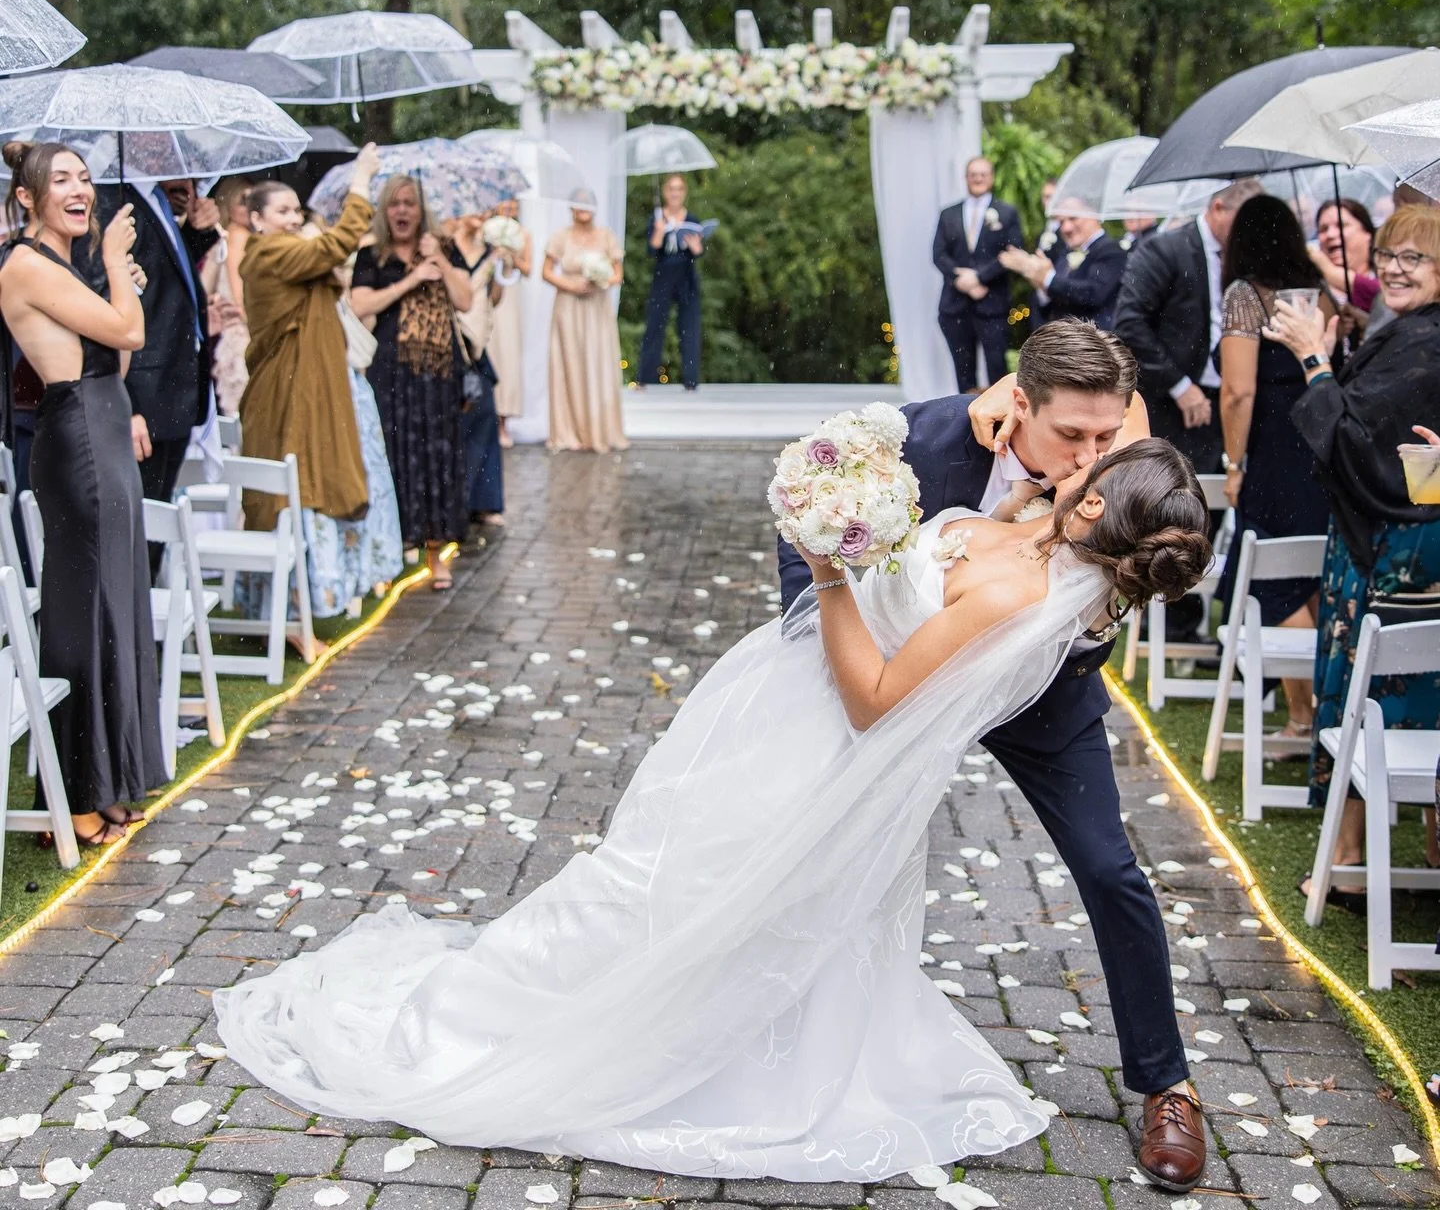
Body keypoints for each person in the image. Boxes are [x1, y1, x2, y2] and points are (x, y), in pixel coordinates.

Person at [215, 423, 1209, 1181]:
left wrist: (830, 576)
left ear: (1099, 503)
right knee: (664, 886)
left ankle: (554, 1030)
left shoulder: (1018, 602)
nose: (1084, 452)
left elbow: (873, 703)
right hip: (775, 712)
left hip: (815, 749)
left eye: (1100, 455)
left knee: (671, 894)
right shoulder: (1028, 534)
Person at [779, 319, 1212, 1190]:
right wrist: (806, 648)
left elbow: (1148, 507)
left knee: (1110, 866)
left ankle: (1168, 1084)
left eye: (1109, 432)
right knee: (808, 843)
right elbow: (817, 526)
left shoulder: (1111, 446)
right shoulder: (923, 439)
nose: (1094, 454)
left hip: (1042, 691)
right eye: (1074, 435)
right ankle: (777, 1021)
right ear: (1017, 404)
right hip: (899, 669)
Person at [1266, 202, 1440, 908]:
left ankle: (1349, 859)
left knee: (1385, 694)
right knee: (1382, 692)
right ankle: (1357, 853)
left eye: (1415, 259)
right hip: (1374, 540)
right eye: (1390, 255)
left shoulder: (1428, 346)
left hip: (1395, 549)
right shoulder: (1405, 331)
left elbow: (1361, 448)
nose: (1395, 269)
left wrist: (1311, 356)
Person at [0, 143, 166, 844]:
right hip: (78, 445)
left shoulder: (68, 265)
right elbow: (126, 328)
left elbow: (118, 353)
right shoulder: (25, 265)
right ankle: (74, 796)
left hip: (105, 424)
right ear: (28, 199)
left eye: (85, 177)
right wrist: (122, 269)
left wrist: (119, 276)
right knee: (83, 610)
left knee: (119, 606)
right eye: (61, 179)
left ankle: (114, 780)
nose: (81, 189)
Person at [240, 149, 401, 616]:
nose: (293, 219)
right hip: (292, 387)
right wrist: (361, 182)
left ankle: (318, 595)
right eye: (281, 211)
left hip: (310, 377)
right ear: (256, 219)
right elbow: (335, 246)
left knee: (313, 475)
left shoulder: (281, 251)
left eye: (296, 210)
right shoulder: (270, 251)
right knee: (302, 479)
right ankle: (299, 602)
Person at [1216, 196, 1332, 735]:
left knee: (1271, 579)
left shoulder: (1245, 296)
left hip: (1273, 454)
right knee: (1311, 576)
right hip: (1323, 442)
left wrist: (1233, 463)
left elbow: (1237, 391)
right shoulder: (1319, 293)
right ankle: (1325, 709)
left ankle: (1303, 715)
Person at [351, 176, 473, 590]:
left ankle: (435, 553)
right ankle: (391, 553)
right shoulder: (373, 255)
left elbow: (466, 299)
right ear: (385, 212)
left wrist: (439, 258)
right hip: (392, 372)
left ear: (422, 211)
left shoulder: (444, 247)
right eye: (394, 205)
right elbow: (359, 303)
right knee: (394, 460)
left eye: (410, 204)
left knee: (436, 461)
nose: (402, 211)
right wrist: (411, 279)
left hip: (438, 374)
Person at [1113, 177, 1264, 476]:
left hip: (1235, 402)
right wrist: (1180, 386)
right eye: (1245, 222)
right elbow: (1130, 324)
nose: (1251, 233)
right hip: (1172, 406)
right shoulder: (1164, 249)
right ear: (1219, 208)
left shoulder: (1250, 258)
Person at [96, 173, 220, 504]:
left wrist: (196, 232)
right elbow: (114, 303)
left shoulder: (156, 196)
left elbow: (163, 278)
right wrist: (128, 406)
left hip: (174, 387)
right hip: (143, 391)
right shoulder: (114, 200)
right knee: (143, 520)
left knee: (160, 516)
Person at [543, 187, 627, 453]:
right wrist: (569, 284)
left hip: (596, 307)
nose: (583, 209)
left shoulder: (606, 237)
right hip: (568, 307)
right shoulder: (561, 237)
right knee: (570, 363)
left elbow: (617, 274)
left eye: (587, 204)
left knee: (597, 362)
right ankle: (570, 431)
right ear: (570, 208)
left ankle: (598, 429)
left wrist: (599, 280)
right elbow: (546, 272)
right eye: (578, 204)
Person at [932, 156, 1024, 391]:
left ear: (991, 177)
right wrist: (959, 279)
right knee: (963, 369)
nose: (978, 178)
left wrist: (979, 277)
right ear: (966, 178)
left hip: (992, 305)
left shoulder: (1007, 213)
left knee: (997, 368)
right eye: (973, 174)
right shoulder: (948, 214)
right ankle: (965, 418)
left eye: (983, 174)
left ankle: (1001, 420)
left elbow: (1012, 252)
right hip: (955, 305)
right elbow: (939, 254)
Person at [449, 212, 504, 526]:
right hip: (454, 334)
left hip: (478, 340)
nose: (480, 216)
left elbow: (494, 299)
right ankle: (458, 496)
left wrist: (499, 270)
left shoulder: (488, 249)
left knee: (484, 414)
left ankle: (484, 500)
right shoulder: (447, 248)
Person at [999, 198, 1126, 330]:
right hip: (1065, 339)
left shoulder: (1111, 250)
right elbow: (1057, 301)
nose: (1066, 228)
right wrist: (1040, 284)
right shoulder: (1065, 253)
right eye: (1061, 222)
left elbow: (1093, 294)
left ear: (1093, 214)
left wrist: (1048, 279)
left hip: (1095, 339)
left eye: (1073, 218)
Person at [638, 173, 704, 390]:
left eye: (679, 189)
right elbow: (651, 250)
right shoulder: (657, 217)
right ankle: (645, 377)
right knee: (654, 325)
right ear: (665, 192)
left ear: (684, 192)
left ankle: (691, 379)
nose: (675, 193)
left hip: (686, 276)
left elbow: (698, 252)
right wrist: (658, 232)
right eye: (671, 189)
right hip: (663, 275)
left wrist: (697, 249)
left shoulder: (691, 219)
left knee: (690, 327)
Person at [484, 195, 530, 445]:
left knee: (509, 357)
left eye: (515, 203)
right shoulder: (486, 230)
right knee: (489, 351)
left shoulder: (523, 234)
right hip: (489, 292)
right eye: (506, 202)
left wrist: (511, 255)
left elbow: (529, 269)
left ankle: (504, 422)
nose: (510, 207)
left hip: (511, 297)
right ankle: (486, 417)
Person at [205, 177, 252, 417]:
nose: (250, 206)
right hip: (241, 332)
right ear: (228, 204)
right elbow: (240, 294)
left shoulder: (224, 237)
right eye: (243, 200)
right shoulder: (237, 236)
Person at [1310, 197, 1379, 327]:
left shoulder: (1387, 275)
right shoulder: (1315, 291)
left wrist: (1330, 271)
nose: (1330, 234)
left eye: (1341, 225)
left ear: (1367, 233)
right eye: (1323, 229)